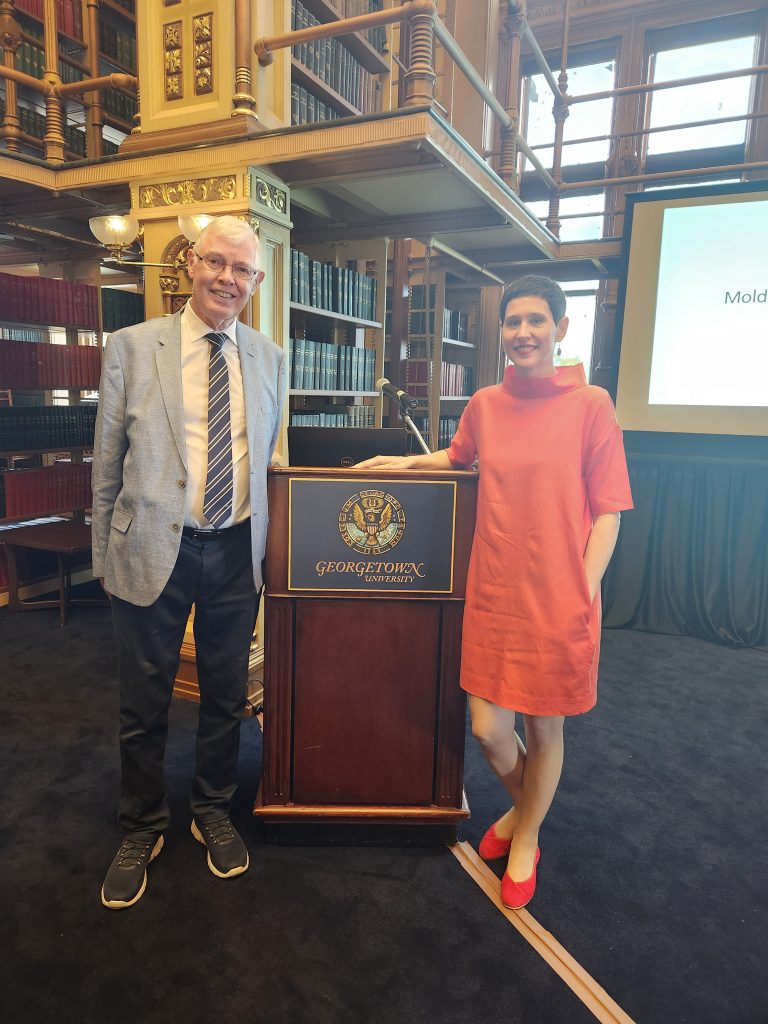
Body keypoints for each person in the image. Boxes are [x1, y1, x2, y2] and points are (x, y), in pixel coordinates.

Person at [358, 275, 632, 909]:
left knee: (545, 728)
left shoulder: (592, 404)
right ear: (500, 331)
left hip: (559, 595)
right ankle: (523, 808)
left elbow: (609, 510)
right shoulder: (485, 403)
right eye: (513, 322)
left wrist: (584, 589)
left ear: (561, 329)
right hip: (494, 589)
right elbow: (457, 457)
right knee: (487, 729)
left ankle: (525, 834)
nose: (524, 332)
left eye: (537, 320)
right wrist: (401, 462)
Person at [92, 215, 286, 909]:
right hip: (151, 545)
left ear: (255, 281)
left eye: (242, 270)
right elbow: (106, 464)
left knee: (226, 696)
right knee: (143, 701)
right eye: (216, 263)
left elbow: (270, 460)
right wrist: (104, 561)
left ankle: (211, 810)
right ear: (191, 265)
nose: (227, 279)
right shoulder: (132, 346)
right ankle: (142, 825)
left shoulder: (270, 356)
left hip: (236, 548)